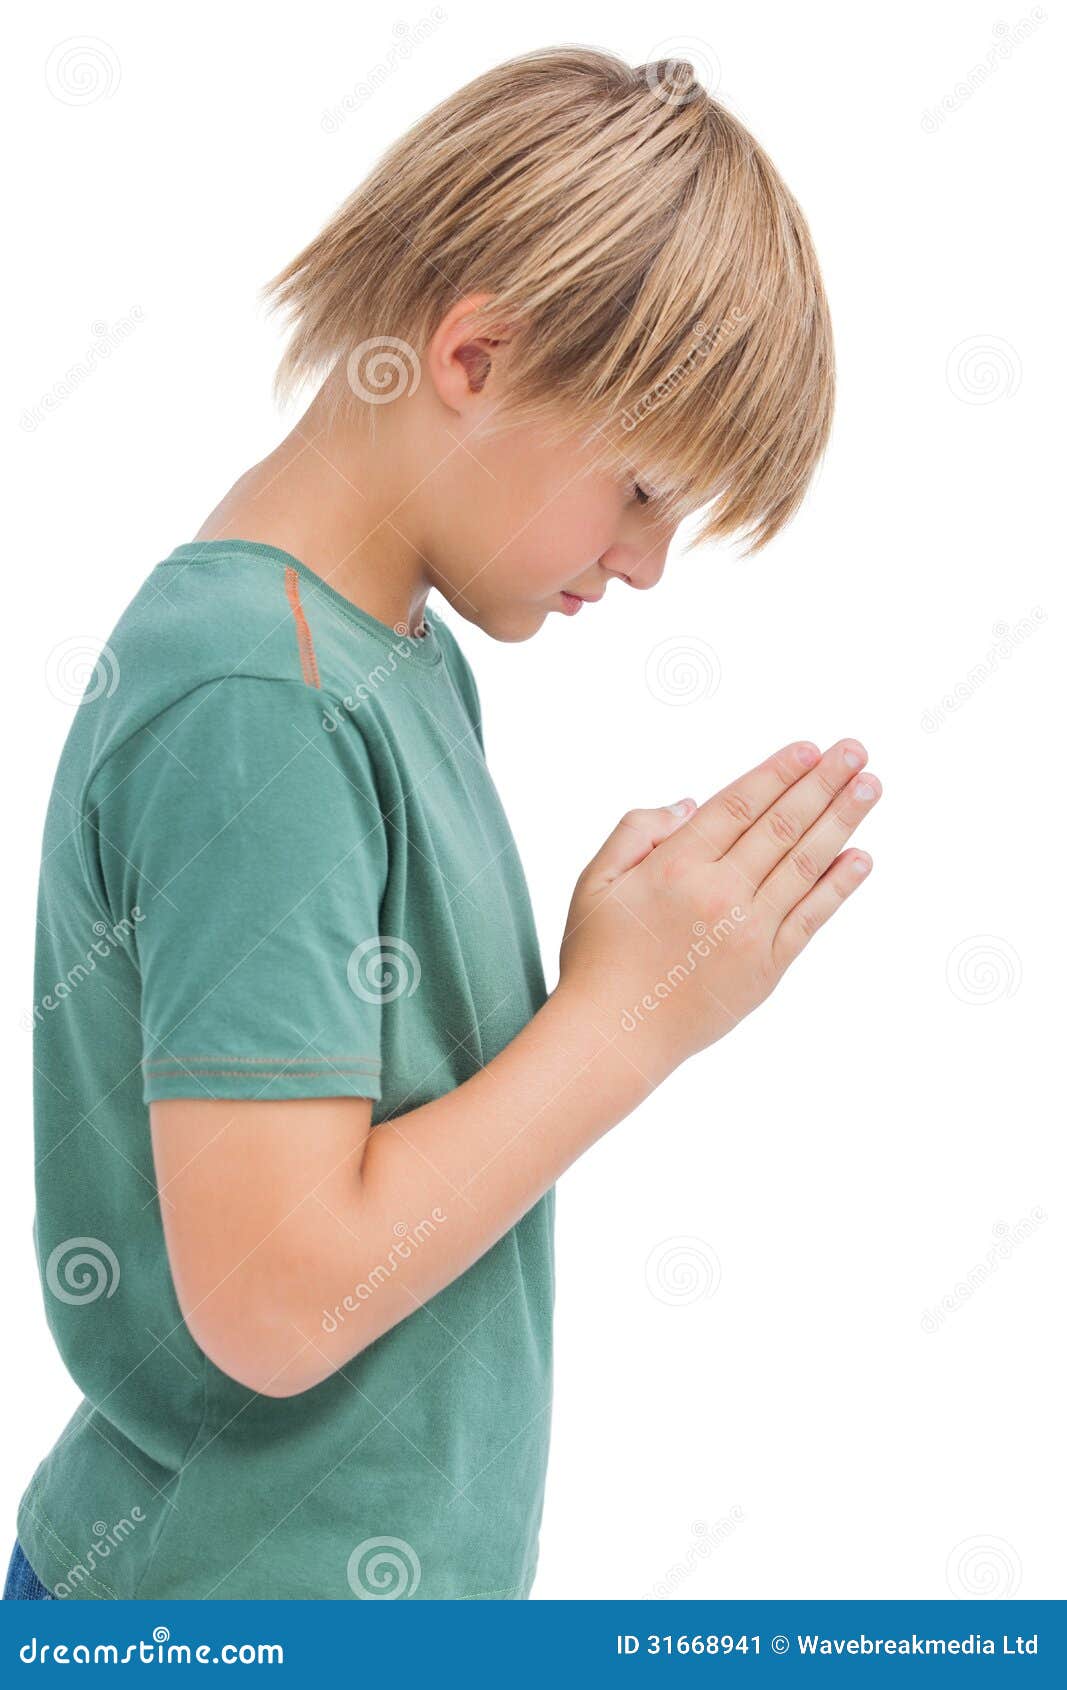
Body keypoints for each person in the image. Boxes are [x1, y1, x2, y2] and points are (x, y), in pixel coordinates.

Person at [10, 45, 878, 1600]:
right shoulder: (257, 703)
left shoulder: (386, 656)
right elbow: (276, 1297)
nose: (646, 564)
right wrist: (626, 1022)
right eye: (639, 490)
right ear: (473, 359)